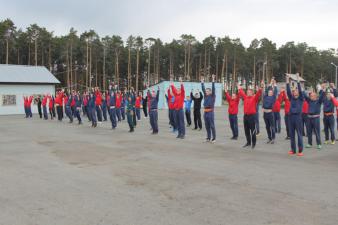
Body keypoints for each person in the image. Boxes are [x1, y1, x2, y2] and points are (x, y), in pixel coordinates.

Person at [238, 82, 263, 149]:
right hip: (245, 116)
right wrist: (239, 88)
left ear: (252, 93)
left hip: (252, 116)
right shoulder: (245, 97)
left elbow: (258, 94)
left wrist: (260, 88)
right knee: (246, 130)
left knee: (253, 131)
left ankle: (253, 143)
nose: (248, 93)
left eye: (249, 92)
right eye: (247, 92)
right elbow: (241, 93)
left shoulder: (254, 98)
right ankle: (248, 142)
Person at [286, 73, 304, 156]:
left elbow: (300, 89)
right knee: (292, 135)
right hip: (291, 118)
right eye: (294, 91)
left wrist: (297, 80)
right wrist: (287, 81)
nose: (295, 92)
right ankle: (293, 150)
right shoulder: (291, 98)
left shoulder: (301, 98)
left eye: (296, 91)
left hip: (298, 118)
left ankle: (300, 151)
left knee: (299, 134)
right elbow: (288, 91)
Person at [303, 84, 324, 149]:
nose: (311, 97)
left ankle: (319, 144)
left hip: (316, 118)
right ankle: (309, 143)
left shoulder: (319, 101)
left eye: (312, 96)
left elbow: (322, 96)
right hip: (309, 118)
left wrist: (323, 89)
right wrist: (303, 90)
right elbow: (305, 96)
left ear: (315, 96)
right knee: (309, 131)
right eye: (310, 96)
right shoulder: (309, 101)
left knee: (317, 131)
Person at [262, 79, 278, 144]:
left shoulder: (273, 97)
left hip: (270, 113)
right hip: (265, 114)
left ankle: (273, 138)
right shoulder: (265, 96)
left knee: (272, 126)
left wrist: (274, 84)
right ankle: (269, 138)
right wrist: (270, 83)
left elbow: (276, 91)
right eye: (269, 92)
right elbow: (266, 90)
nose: (269, 93)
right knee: (267, 126)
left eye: (271, 92)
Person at [201, 74, 216, 143]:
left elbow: (213, 88)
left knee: (212, 126)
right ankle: (208, 137)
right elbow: (203, 89)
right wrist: (202, 82)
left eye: (207, 91)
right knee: (207, 126)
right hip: (205, 112)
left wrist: (213, 79)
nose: (206, 92)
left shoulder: (212, 96)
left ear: (210, 92)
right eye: (206, 91)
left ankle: (214, 138)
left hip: (210, 112)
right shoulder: (205, 96)